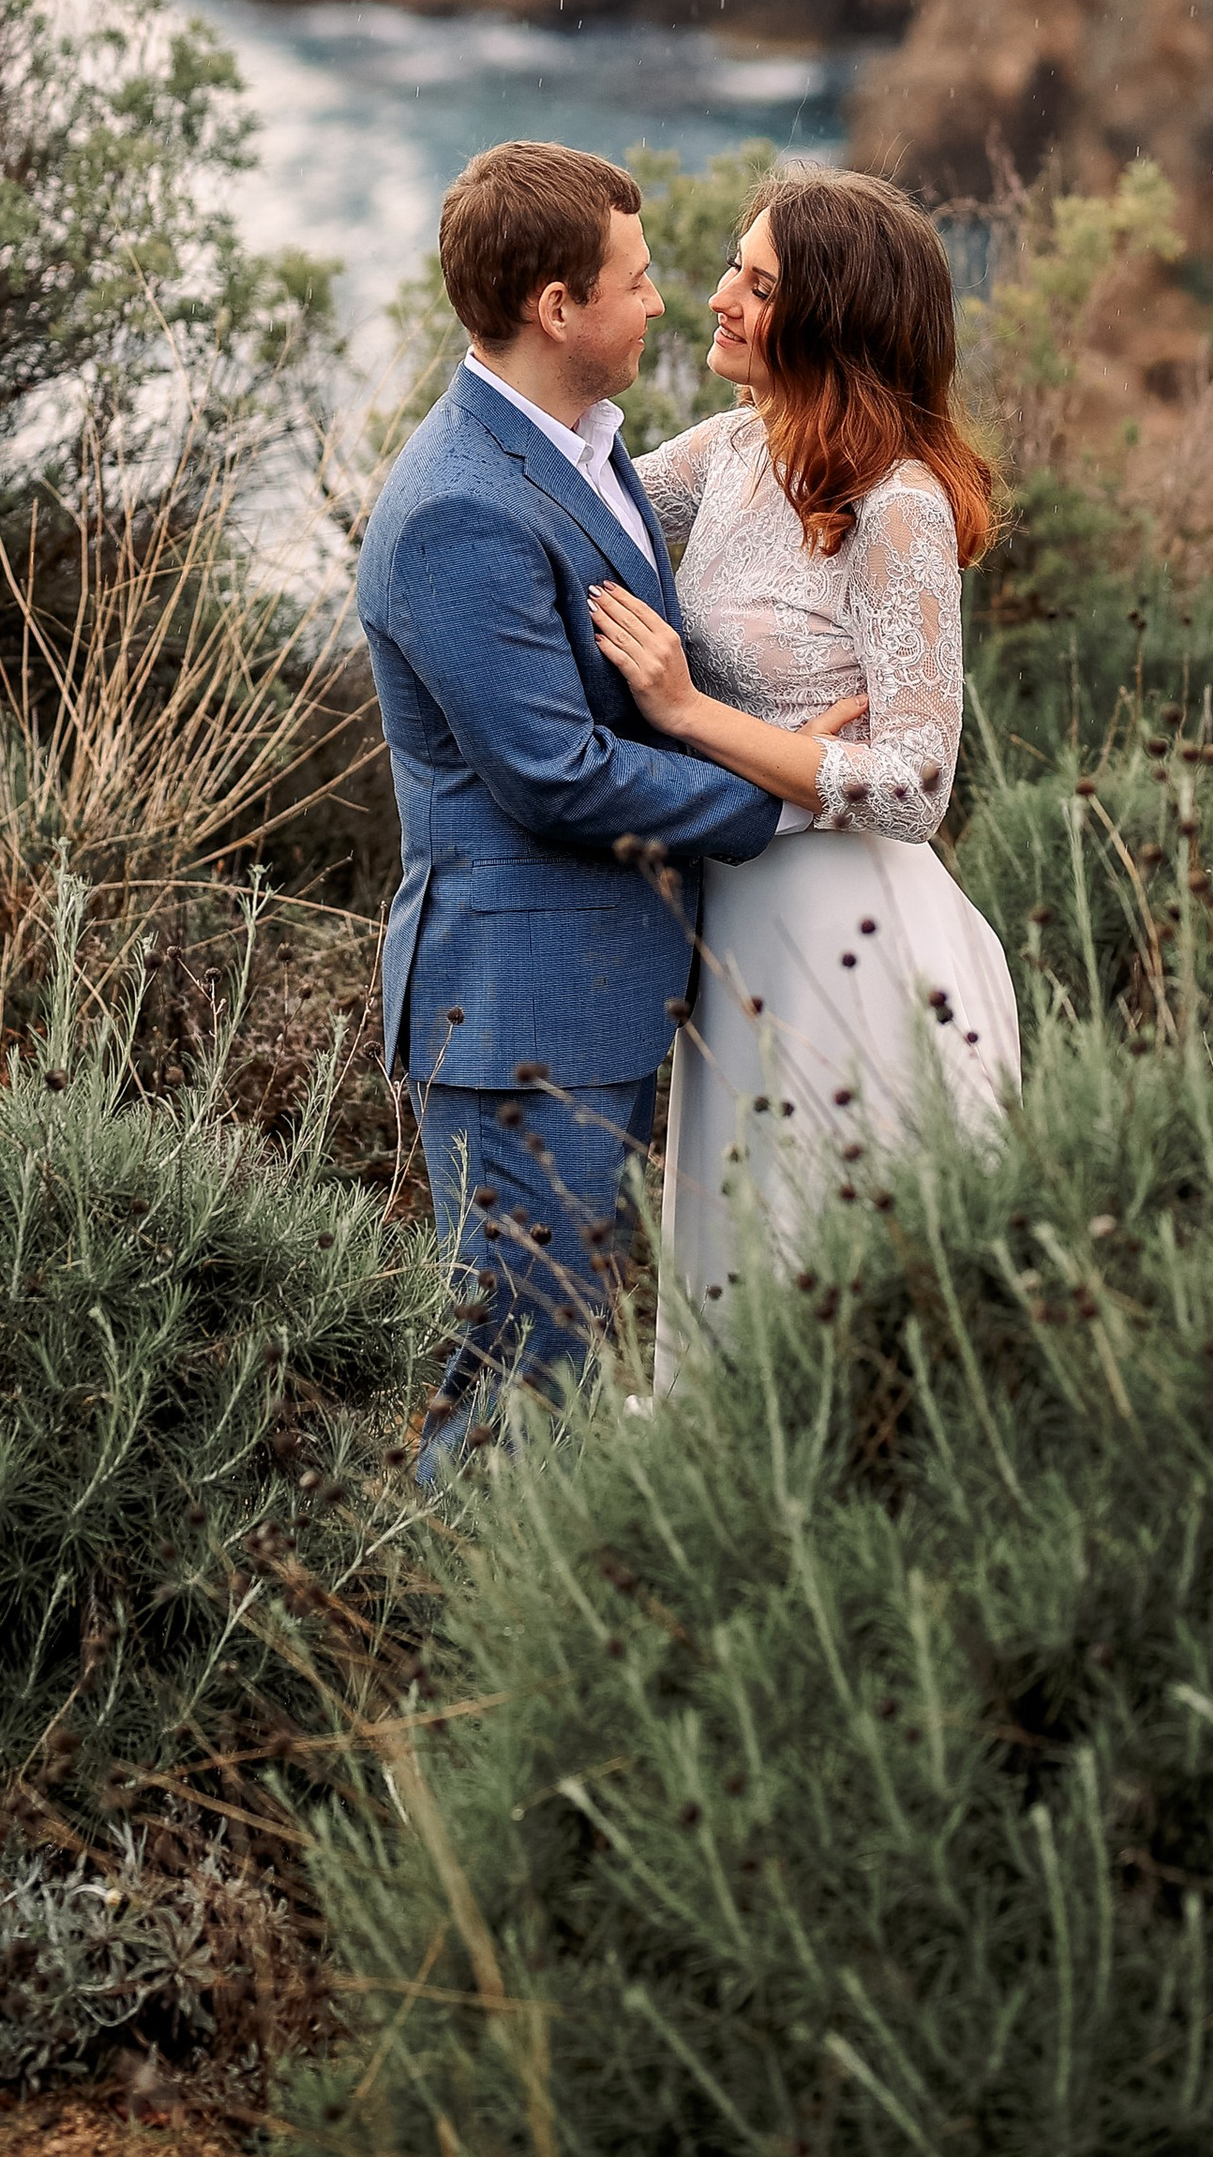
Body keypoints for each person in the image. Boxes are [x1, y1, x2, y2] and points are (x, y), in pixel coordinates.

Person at [359, 141, 858, 1473]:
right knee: (513, 1392)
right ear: (555, 308)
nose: (660, 301)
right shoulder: (457, 509)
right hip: (518, 1014)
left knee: (561, 1368)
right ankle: (456, 1607)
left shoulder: (585, 447)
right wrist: (778, 787)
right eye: (634, 281)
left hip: (598, 998)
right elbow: (554, 774)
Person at [587, 168, 1018, 1363]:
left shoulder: (897, 505)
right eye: (734, 267)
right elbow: (569, 528)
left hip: (854, 945)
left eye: (759, 285)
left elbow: (916, 787)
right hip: (737, 935)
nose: (717, 297)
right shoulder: (728, 451)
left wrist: (692, 714)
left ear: (834, 319)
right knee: (732, 1286)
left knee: (837, 1300)